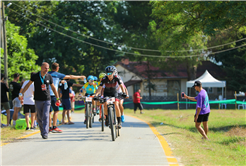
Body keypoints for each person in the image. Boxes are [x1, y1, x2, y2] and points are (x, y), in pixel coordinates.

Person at [20, 62, 61, 139]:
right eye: (45, 68)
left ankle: (45, 132)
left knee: (45, 115)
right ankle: (42, 131)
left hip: (47, 99)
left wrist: (57, 98)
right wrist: (21, 94)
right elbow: (28, 85)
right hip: (38, 99)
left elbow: (53, 88)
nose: (47, 70)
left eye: (48, 68)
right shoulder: (35, 76)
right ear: (41, 68)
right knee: (39, 117)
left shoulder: (49, 76)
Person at [48, 62, 86, 133]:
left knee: (49, 112)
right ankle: (54, 127)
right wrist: (80, 77)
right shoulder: (58, 74)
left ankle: (49, 127)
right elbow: (71, 76)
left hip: (46, 95)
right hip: (53, 94)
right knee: (56, 111)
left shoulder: (47, 74)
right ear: (57, 68)